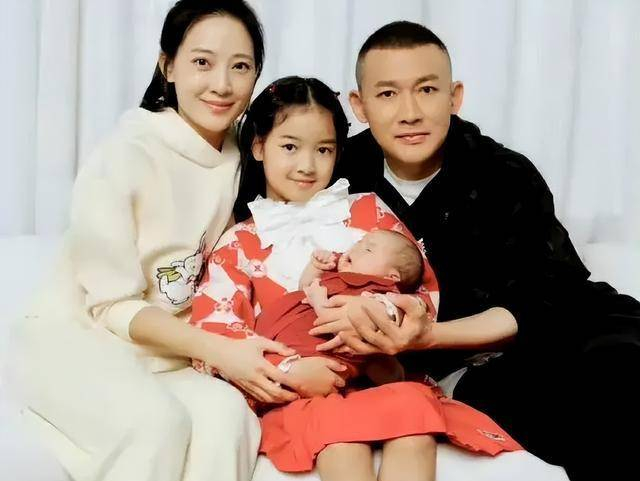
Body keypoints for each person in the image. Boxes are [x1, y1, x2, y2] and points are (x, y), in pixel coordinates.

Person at [322, 21, 640, 480]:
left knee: (621, 369)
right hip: (478, 366)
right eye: (388, 94)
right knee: (581, 412)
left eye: (427, 90)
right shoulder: (332, 173)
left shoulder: (504, 172)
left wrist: (428, 335)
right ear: (360, 105)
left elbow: (544, 299)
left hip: (564, 323)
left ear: (454, 97)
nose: (410, 113)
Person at [189, 76, 521, 481]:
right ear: (259, 146)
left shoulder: (368, 211)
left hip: (377, 375)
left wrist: (378, 321)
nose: (307, 165)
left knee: (414, 424)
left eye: (323, 149)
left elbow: (419, 287)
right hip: (302, 388)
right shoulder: (238, 241)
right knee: (341, 440)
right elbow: (216, 330)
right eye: (290, 147)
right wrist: (289, 370)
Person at [13, 2, 288, 480]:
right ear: (168, 66)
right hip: (78, 340)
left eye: (240, 67)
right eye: (202, 62)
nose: (222, 84)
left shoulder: (244, 155)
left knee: (230, 420)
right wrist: (220, 351)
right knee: (157, 426)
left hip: (168, 352)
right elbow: (110, 305)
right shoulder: (126, 155)